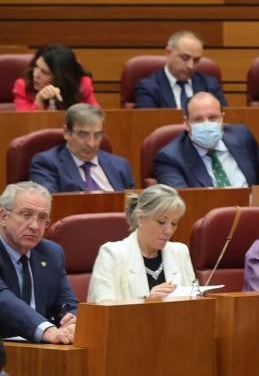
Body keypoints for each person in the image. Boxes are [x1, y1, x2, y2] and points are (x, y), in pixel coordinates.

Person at [87, 184, 195, 301]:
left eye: (174, 223)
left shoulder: (180, 252)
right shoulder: (112, 254)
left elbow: (194, 302)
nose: (169, 231)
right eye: (161, 222)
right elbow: (103, 311)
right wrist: (146, 302)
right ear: (141, 219)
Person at [0, 182, 77, 344]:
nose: (35, 226)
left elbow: (68, 302)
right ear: (3, 217)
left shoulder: (51, 253)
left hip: (41, 352)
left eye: (42, 218)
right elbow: (4, 300)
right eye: (26, 215)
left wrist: (73, 321)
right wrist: (46, 330)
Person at [152, 92, 259, 188]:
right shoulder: (170, 158)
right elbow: (182, 201)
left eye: (212, 118)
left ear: (222, 118)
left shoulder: (242, 136)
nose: (207, 124)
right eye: (198, 119)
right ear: (187, 124)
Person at [29, 104, 135, 192]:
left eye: (97, 135)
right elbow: (49, 203)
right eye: (83, 134)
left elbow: (133, 207)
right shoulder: (47, 164)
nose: (91, 143)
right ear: (67, 132)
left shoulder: (120, 165)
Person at [134, 30, 227, 110]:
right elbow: (146, 125)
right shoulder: (148, 88)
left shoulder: (210, 85)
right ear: (168, 53)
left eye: (196, 60)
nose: (191, 66)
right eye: (185, 58)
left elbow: (224, 119)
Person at [11, 44, 99, 111]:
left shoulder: (80, 86)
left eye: (44, 72)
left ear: (60, 77)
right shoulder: (23, 86)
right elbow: (24, 125)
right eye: (36, 67)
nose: (36, 75)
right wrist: (39, 102)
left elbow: (97, 118)